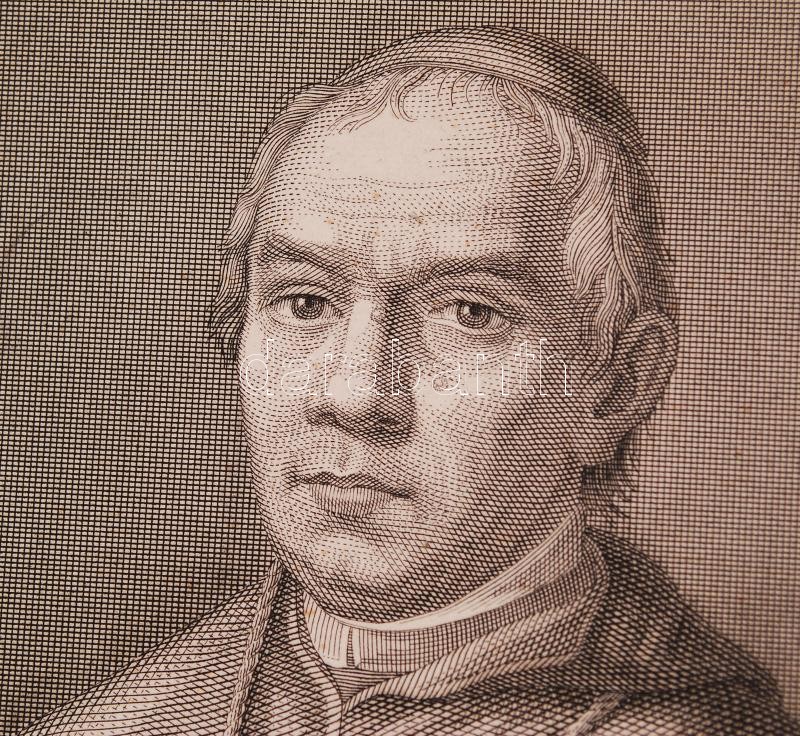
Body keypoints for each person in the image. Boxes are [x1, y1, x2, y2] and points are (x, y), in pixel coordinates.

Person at [23, 27, 797, 736]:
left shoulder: (702, 724)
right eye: (305, 302)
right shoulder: (124, 720)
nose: (356, 394)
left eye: (469, 312)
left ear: (615, 385)